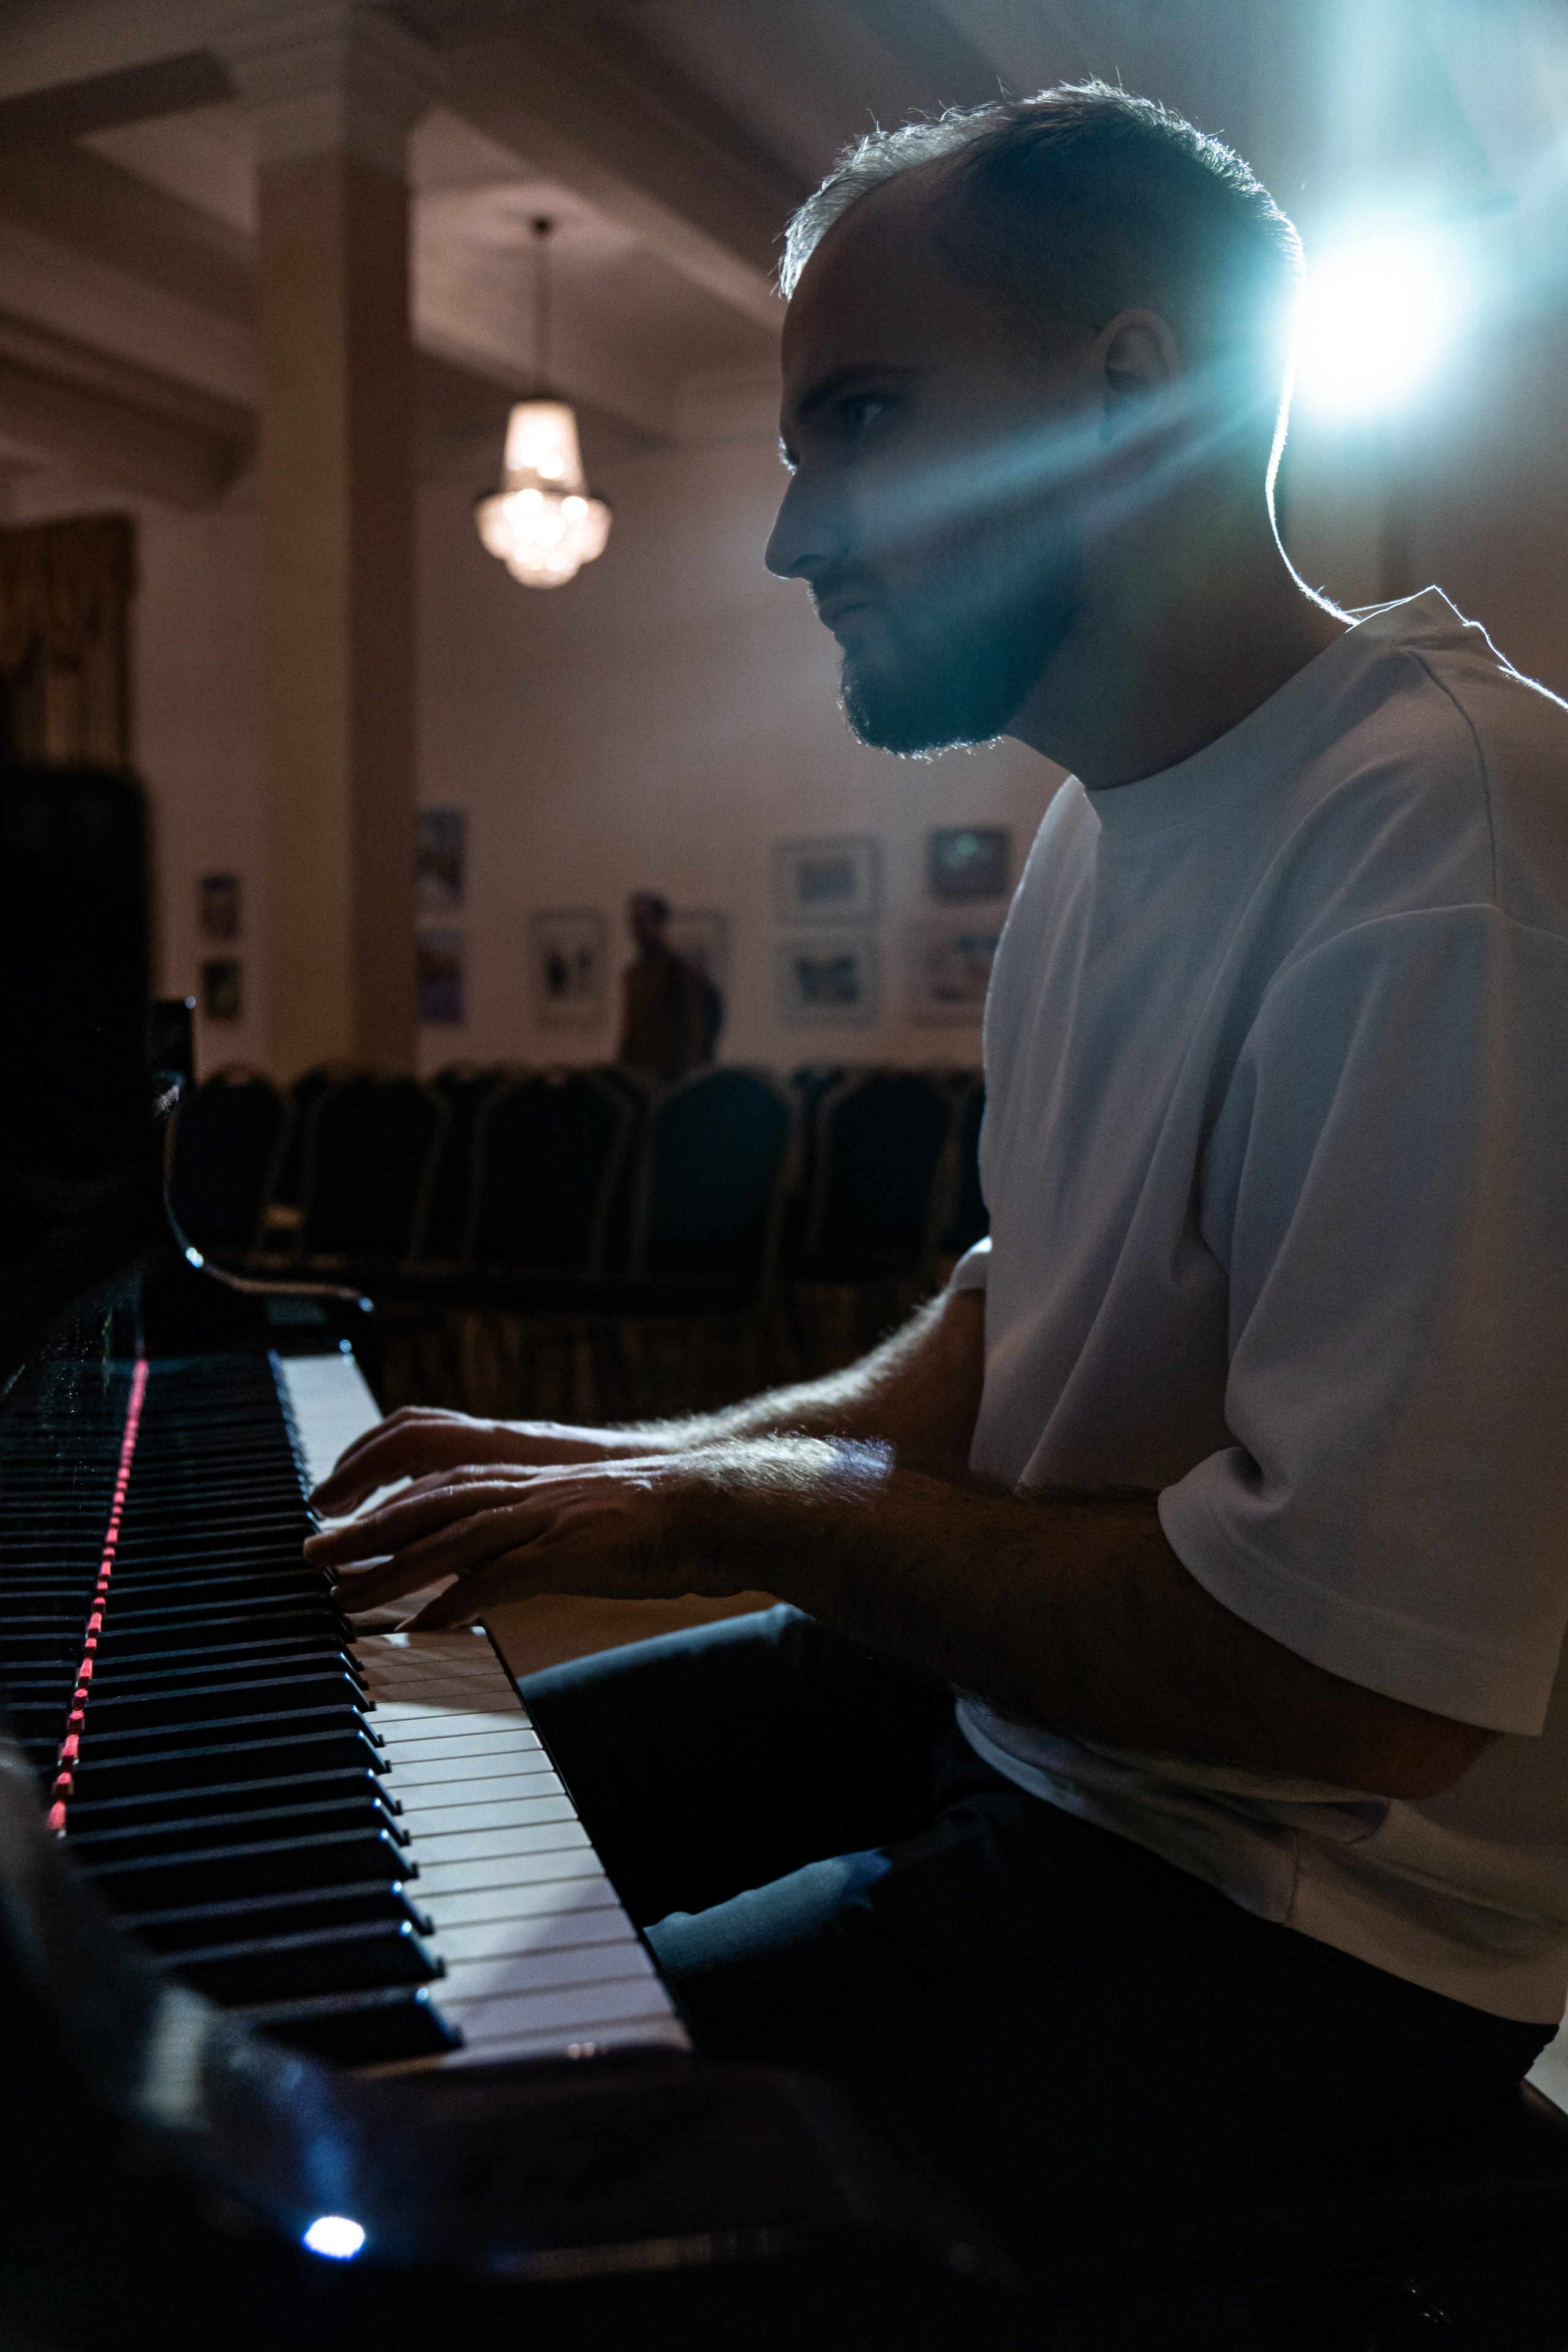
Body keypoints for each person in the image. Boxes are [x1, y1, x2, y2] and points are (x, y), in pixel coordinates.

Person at [306, 85, 1568, 2259]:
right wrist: (635, 1462)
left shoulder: (1445, 845)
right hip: (1050, 1731)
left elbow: (1353, 1686)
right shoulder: (1101, 811)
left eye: (861, 419)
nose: (793, 538)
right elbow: (1019, 1310)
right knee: (363, 1834)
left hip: (1294, 1907)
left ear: (1128, 391)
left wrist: (722, 1508)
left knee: (453, 2158)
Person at [617, 889, 723, 1082]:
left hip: (670, 1081)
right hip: (639, 1079)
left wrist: (686, 1082)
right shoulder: (633, 976)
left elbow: (695, 1034)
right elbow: (631, 1034)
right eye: (634, 920)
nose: (638, 927)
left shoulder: (681, 974)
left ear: (660, 923)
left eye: (644, 919)